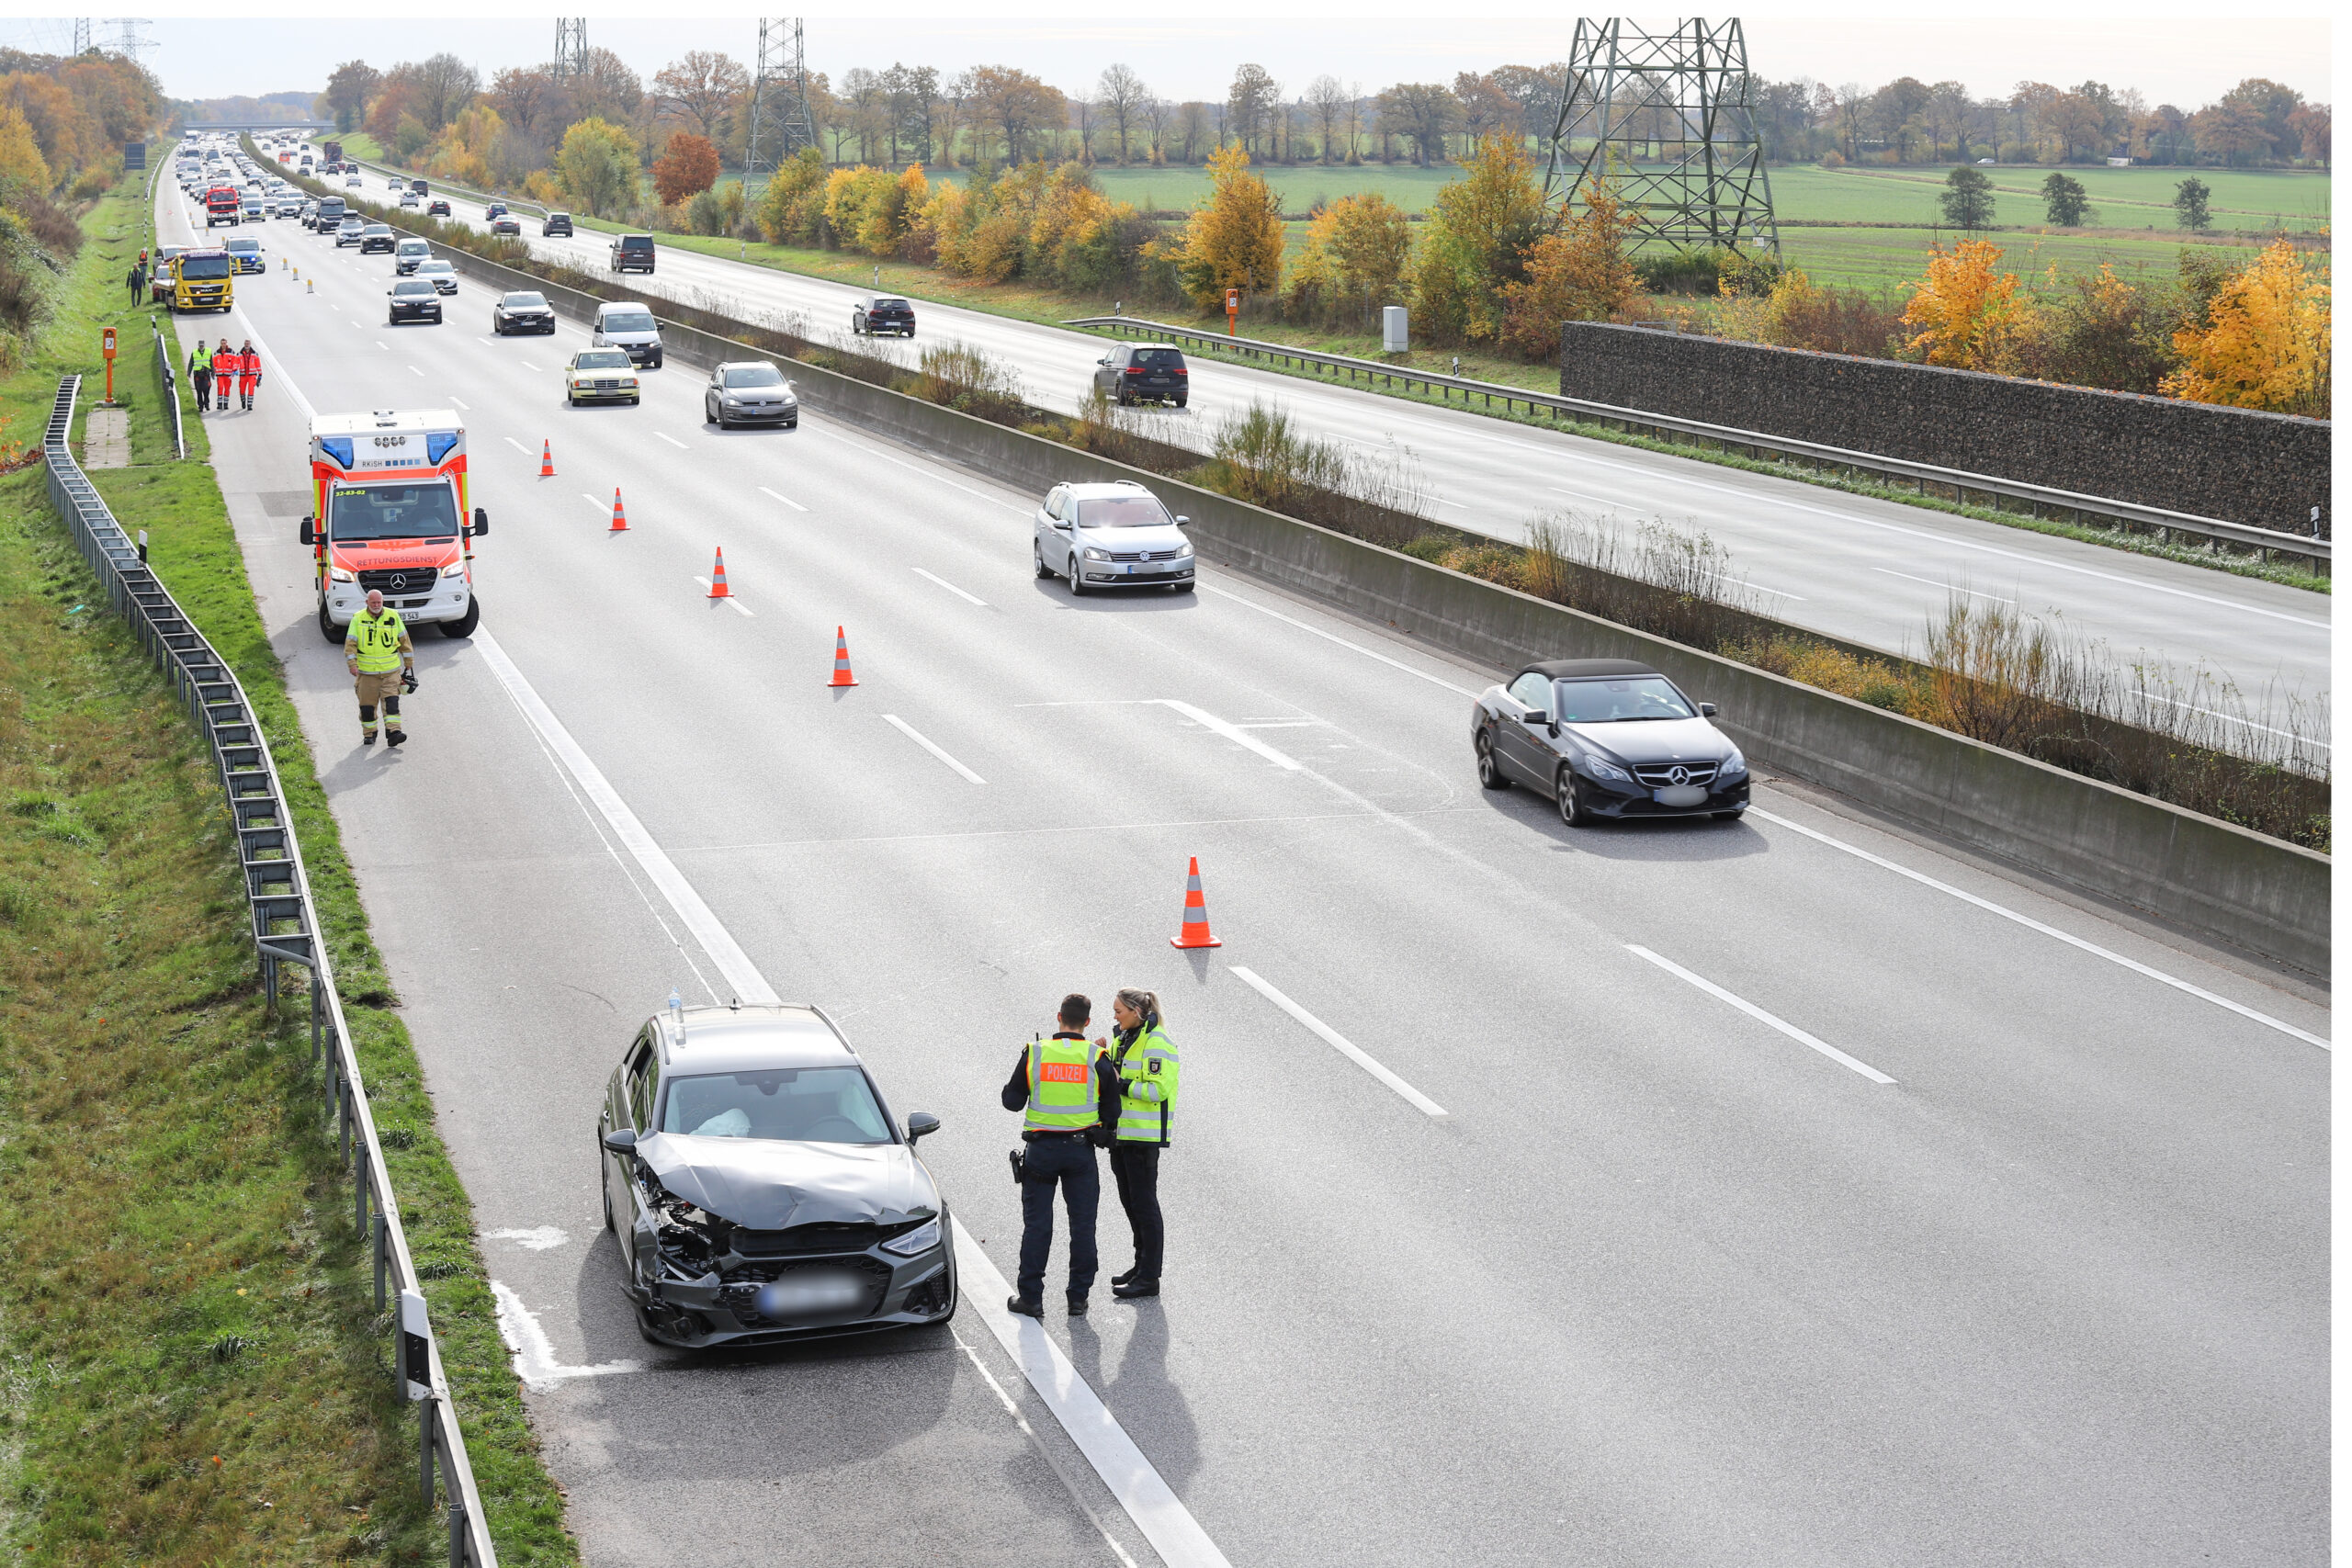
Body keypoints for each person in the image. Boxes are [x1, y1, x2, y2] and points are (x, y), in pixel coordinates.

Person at [1001, 993, 1120, 1319]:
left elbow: (1011, 1102)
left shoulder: (1036, 1053)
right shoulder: (1097, 1056)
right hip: (1080, 1153)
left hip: (1041, 1152)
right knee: (1083, 1226)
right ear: (1087, 1022)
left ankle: (1031, 1299)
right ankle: (1077, 1298)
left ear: (1059, 1017)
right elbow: (1113, 1109)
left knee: (1037, 1226)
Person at [1098, 988, 1180, 1300]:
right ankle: (1140, 1265)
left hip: (1142, 1138)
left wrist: (1121, 1084)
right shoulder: (1124, 1038)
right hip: (1121, 1136)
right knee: (1131, 1204)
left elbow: (1157, 1090)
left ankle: (1149, 1277)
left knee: (1145, 1207)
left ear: (1136, 1011)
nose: (1115, 1016)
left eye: (1119, 1010)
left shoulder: (1156, 1042)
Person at [344, 589, 414, 749]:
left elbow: (404, 639)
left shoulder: (393, 616)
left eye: (379, 602)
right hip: (367, 674)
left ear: (383, 602)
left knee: (392, 703)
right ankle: (369, 734)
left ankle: (394, 733)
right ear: (367, 603)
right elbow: (350, 645)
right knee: (367, 707)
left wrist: (408, 660)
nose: (376, 605)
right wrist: (352, 664)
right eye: (373, 602)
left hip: (391, 672)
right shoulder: (358, 619)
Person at [209, 342, 237, 412]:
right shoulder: (217, 353)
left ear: (226, 343)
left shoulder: (231, 352)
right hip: (220, 374)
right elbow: (213, 363)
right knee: (220, 387)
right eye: (222, 343)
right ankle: (219, 403)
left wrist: (235, 370)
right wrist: (212, 372)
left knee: (227, 389)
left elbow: (235, 361)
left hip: (228, 375)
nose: (223, 344)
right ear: (220, 344)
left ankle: (226, 403)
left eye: (224, 343)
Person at [235, 340, 261, 411]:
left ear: (250, 344)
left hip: (252, 375)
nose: (247, 345)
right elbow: (236, 363)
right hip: (243, 375)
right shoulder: (239, 354)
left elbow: (258, 365)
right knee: (242, 390)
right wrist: (235, 369)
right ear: (244, 344)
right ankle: (243, 401)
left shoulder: (255, 354)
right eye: (246, 344)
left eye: (248, 344)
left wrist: (260, 374)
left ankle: (249, 405)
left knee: (251, 389)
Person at [189, 342, 212, 414]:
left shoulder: (208, 352)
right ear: (198, 346)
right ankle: (200, 406)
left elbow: (211, 362)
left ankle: (206, 403)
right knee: (198, 391)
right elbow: (191, 363)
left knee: (206, 390)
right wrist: (188, 372)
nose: (201, 346)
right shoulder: (194, 353)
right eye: (200, 345)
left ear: (204, 345)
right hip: (198, 375)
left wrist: (213, 372)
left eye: (202, 345)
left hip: (206, 374)